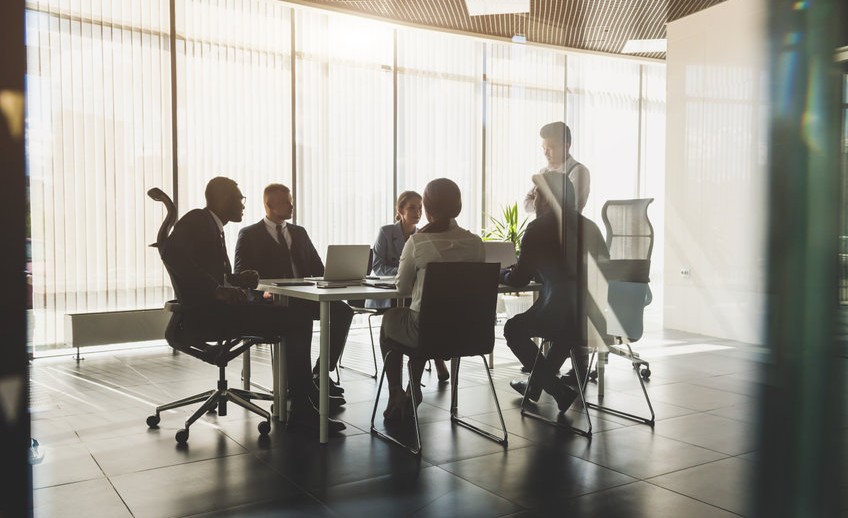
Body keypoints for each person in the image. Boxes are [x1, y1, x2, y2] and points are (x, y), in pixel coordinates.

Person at [161, 176, 345, 434]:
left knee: (297, 317)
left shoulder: (212, 226)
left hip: (215, 311)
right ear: (224, 199)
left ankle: (302, 397)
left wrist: (237, 280)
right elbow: (171, 253)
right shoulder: (198, 220)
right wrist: (218, 290)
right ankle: (302, 405)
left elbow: (208, 271)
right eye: (239, 199)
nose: (243, 205)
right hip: (210, 316)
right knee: (296, 320)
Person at [234, 183, 353, 407]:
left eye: (291, 200)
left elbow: (318, 268)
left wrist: (338, 275)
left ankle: (319, 373)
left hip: (303, 298)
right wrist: (263, 294)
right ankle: (305, 388)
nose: (292, 205)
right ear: (269, 205)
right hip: (272, 302)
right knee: (299, 317)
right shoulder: (249, 234)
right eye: (286, 202)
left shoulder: (299, 232)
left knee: (343, 311)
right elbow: (241, 274)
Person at [502, 171, 609, 412]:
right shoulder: (589, 226)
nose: (535, 201)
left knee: (513, 329)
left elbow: (519, 279)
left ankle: (554, 388)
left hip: (559, 314)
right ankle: (538, 386)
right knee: (566, 333)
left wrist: (502, 274)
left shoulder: (538, 228)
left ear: (548, 199)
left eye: (537, 195)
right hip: (595, 316)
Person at [379, 178, 485, 420]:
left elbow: (403, 289)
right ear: (458, 205)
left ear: (426, 208)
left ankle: (397, 390)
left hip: (427, 333)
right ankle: (411, 385)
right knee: (428, 321)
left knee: (393, 320)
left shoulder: (418, 242)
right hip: (468, 335)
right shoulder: (475, 243)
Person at [368, 191, 451, 382]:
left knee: (425, 308)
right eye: (412, 207)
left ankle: (430, 359)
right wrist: (404, 269)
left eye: (420, 208)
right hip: (389, 292)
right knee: (418, 310)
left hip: (413, 293)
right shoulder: (386, 232)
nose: (418, 212)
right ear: (400, 210)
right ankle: (436, 358)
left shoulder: (423, 235)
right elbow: (377, 267)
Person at [523, 121, 590, 215]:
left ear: (566, 147)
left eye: (550, 148)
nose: (545, 153)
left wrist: (539, 200)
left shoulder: (579, 172)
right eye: (544, 148)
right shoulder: (543, 171)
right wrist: (547, 201)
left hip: (566, 229)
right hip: (543, 228)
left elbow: (566, 207)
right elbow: (526, 205)